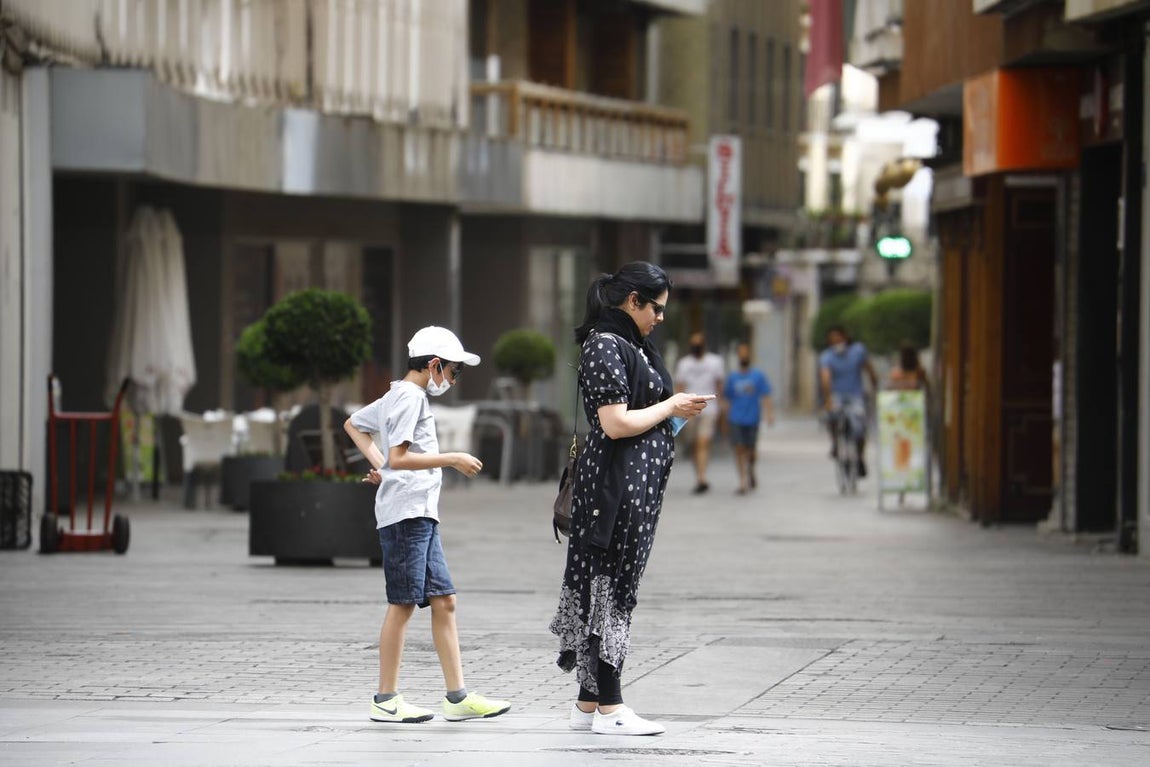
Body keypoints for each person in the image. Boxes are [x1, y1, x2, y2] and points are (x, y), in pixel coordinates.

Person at [550, 262, 713, 736]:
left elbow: (644, 416)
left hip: (629, 490)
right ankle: (610, 708)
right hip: (613, 492)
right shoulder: (605, 343)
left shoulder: (632, 344)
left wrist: (676, 413)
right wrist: (671, 405)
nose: (661, 317)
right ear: (632, 300)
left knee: (609, 586)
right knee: (610, 589)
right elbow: (616, 423)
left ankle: (587, 704)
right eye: (656, 308)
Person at [344, 326, 511, 725]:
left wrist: (379, 465)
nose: (453, 380)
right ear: (434, 365)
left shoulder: (397, 395)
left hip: (419, 513)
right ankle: (386, 699)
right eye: (453, 372)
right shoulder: (408, 398)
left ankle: (457, 697)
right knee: (402, 604)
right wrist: (451, 458)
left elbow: (355, 424)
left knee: (444, 600)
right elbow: (399, 457)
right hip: (406, 514)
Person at [819, 325, 878, 477]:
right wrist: (827, 400)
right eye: (833, 340)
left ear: (845, 337)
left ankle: (859, 456)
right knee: (830, 417)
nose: (836, 342)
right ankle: (835, 443)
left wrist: (874, 385)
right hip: (836, 396)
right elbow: (826, 378)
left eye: (838, 338)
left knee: (860, 426)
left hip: (855, 395)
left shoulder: (858, 351)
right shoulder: (827, 356)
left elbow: (869, 369)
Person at [673, 331, 724, 493]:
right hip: (690, 410)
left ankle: (702, 478)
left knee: (703, 442)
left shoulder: (715, 362)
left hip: (709, 409)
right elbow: (680, 387)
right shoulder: (684, 364)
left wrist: (721, 407)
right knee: (694, 444)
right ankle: (699, 475)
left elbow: (719, 385)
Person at [722, 342, 775, 494]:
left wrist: (769, 414)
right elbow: (727, 399)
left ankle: (751, 468)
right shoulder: (732, 377)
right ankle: (742, 480)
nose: (743, 356)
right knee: (738, 448)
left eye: (746, 353)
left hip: (752, 418)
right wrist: (724, 419)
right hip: (736, 418)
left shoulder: (758, 375)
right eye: (741, 353)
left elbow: (766, 395)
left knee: (751, 450)